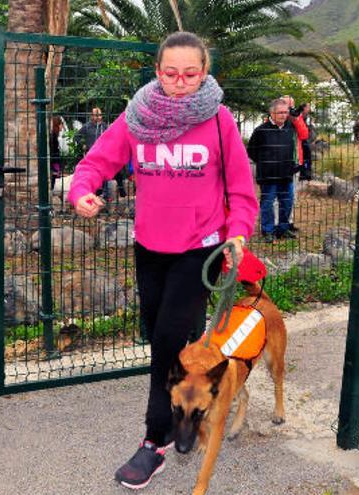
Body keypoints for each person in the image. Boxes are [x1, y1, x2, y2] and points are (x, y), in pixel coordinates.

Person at [69, 31, 258, 490]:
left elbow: (241, 189)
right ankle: (199, 397)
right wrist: (81, 192)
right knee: (163, 335)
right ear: (157, 71)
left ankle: (156, 440)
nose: (180, 82)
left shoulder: (219, 121)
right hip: (151, 247)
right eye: (171, 73)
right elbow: (95, 163)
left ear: (204, 72)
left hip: (200, 247)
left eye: (190, 74)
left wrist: (237, 236)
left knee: (165, 344)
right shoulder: (138, 117)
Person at [247, 98, 297, 243]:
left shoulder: (290, 128)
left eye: (285, 112)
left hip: (286, 174)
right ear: (272, 113)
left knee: (287, 202)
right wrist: (266, 163)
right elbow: (251, 151)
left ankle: (283, 229)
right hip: (268, 176)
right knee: (268, 204)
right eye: (280, 112)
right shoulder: (260, 130)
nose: (283, 115)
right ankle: (268, 231)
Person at [49, 115, 63, 190]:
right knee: (54, 175)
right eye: (61, 124)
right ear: (57, 125)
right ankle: (51, 190)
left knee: (54, 175)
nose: (62, 127)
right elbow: (53, 150)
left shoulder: (54, 135)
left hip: (54, 159)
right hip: (54, 159)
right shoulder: (53, 136)